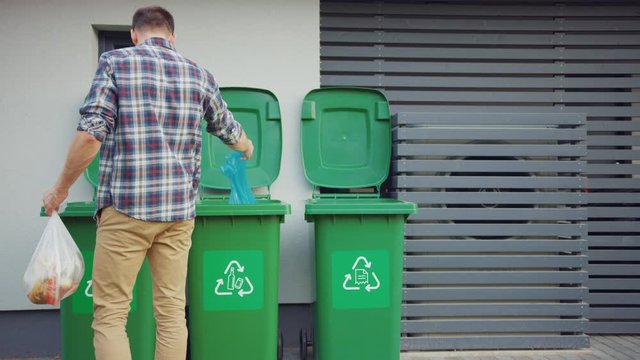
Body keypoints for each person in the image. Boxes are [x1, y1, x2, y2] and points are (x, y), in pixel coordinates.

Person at [42, 6, 253, 360]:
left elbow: (91, 134)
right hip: (178, 215)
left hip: (126, 209)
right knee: (171, 313)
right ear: (172, 36)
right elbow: (229, 130)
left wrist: (60, 189)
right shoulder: (199, 75)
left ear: (134, 34)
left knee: (111, 315)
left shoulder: (115, 63)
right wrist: (246, 148)